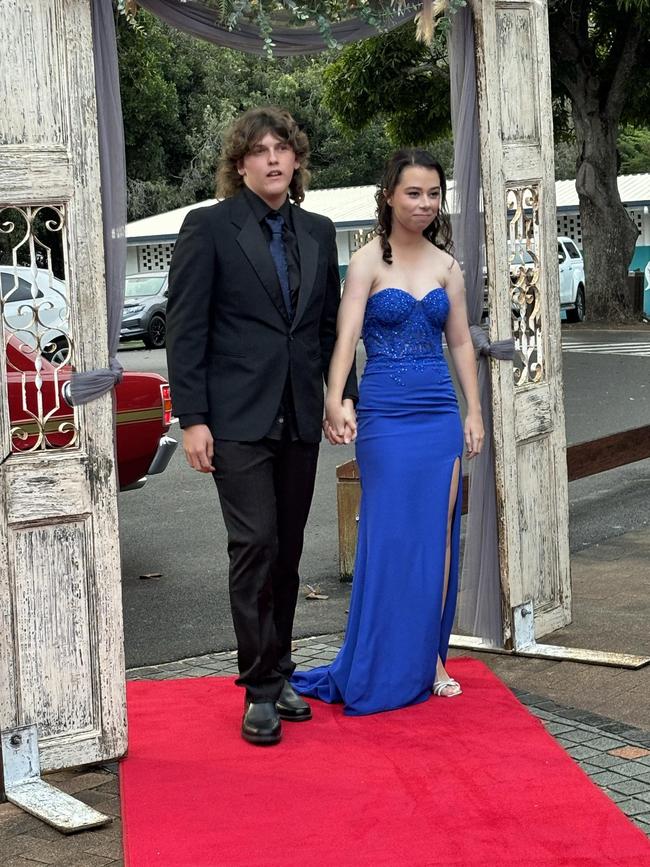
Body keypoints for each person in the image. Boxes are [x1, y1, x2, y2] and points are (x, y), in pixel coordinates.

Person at [165, 107, 358, 746]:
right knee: (254, 546)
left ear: (296, 159)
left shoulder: (318, 229)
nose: (273, 159)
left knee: (289, 551)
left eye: (283, 148)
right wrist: (191, 418)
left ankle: (280, 668)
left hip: (301, 413)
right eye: (260, 150)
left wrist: (341, 398)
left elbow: (330, 328)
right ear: (240, 162)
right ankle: (258, 689)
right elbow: (186, 329)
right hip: (237, 418)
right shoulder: (208, 227)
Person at [292, 149, 484, 715]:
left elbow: (462, 343)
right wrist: (335, 398)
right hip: (385, 416)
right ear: (389, 196)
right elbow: (345, 339)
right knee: (392, 536)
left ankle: (432, 657)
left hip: (438, 413)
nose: (424, 204)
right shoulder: (366, 262)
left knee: (439, 535)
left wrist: (473, 411)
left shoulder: (448, 266)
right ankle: (382, 657)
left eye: (433, 194)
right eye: (413, 193)